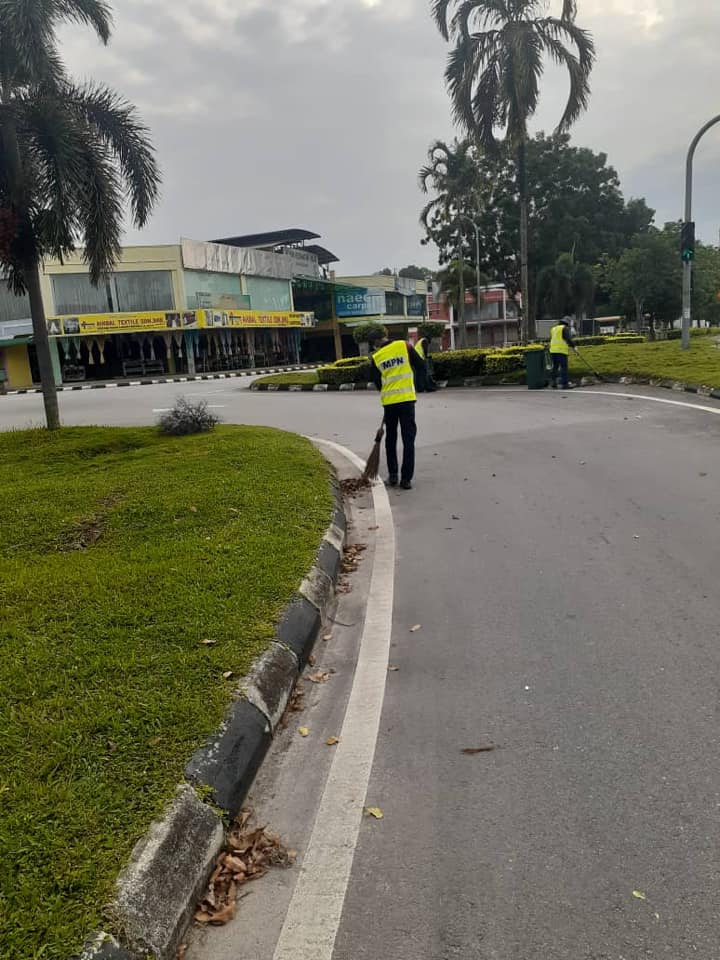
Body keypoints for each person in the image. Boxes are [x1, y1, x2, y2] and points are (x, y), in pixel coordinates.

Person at [368, 328, 423, 490]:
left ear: (376, 342)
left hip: (390, 404)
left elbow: (378, 384)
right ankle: (406, 479)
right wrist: (417, 386)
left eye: (373, 344)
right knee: (408, 440)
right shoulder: (404, 346)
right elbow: (420, 365)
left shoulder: (376, 358)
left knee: (390, 439)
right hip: (407, 401)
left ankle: (393, 476)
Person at [549, 316, 578, 390]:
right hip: (561, 351)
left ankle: (553, 383)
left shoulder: (553, 329)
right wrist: (574, 347)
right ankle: (565, 384)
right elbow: (568, 339)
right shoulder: (564, 328)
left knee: (555, 367)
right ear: (567, 323)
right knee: (563, 368)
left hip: (552, 351)